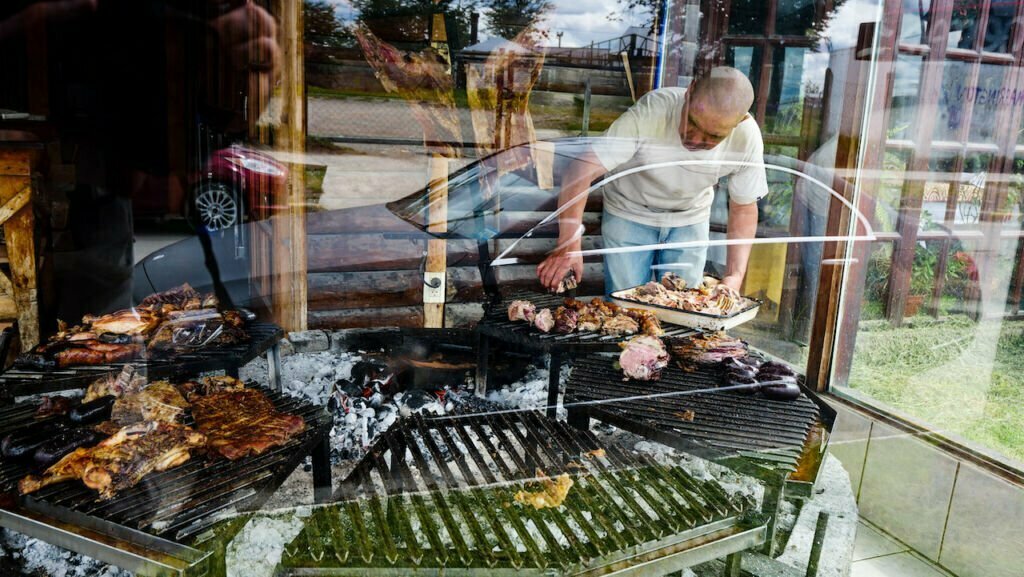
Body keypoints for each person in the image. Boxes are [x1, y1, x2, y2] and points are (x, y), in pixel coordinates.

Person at [537, 66, 768, 294]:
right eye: (693, 123)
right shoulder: (653, 109)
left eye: (713, 136)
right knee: (626, 307)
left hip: (690, 216)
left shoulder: (747, 137)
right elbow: (581, 169)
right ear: (690, 91)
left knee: (686, 309)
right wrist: (568, 243)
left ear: (739, 121)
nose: (696, 140)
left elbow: (744, 207)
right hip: (629, 210)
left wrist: (735, 277)